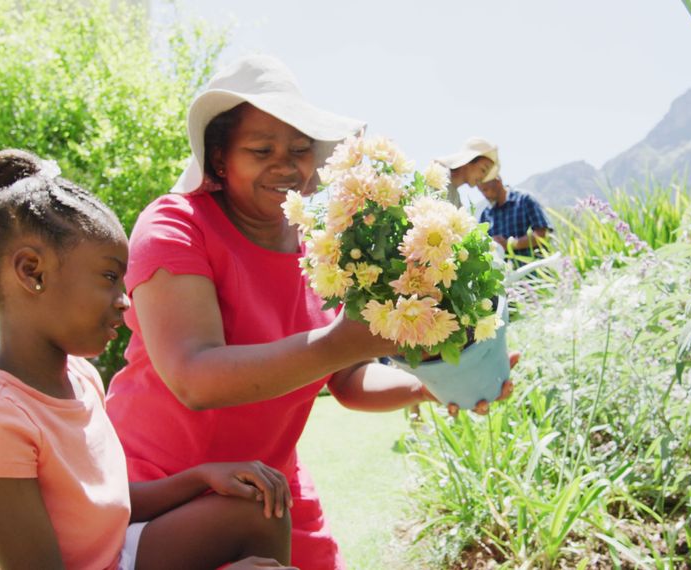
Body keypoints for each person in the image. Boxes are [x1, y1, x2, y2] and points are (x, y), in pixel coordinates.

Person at [104, 55, 515, 570]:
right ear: (219, 158)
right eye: (261, 150)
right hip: (162, 493)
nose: (286, 165)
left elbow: (344, 378)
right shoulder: (175, 226)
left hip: (270, 488)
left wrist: (429, 385)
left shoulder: (323, 246)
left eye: (299, 150)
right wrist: (347, 341)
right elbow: (195, 378)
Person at [0, 149, 297, 570]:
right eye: (108, 277)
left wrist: (200, 477)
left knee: (257, 505)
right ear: (32, 271)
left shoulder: (79, 376)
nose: (124, 301)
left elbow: (107, 505)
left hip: (113, 556)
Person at [479, 175, 551, 257]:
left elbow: (543, 234)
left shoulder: (524, 199)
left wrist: (511, 244)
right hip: (506, 269)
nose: (485, 195)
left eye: (486, 190)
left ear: (498, 181)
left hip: (534, 266)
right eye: (481, 191)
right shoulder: (485, 215)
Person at [434, 137, 500, 208]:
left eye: (486, 174)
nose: (483, 178)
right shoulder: (439, 176)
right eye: (483, 170)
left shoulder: (456, 200)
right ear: (469, 161)